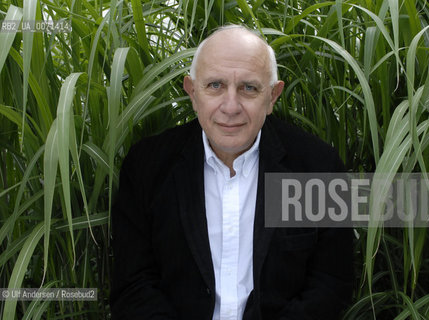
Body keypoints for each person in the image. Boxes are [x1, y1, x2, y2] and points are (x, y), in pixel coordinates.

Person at [110, 25, 353, 320]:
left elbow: (330, 285)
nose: (230, 106)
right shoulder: (148, 166)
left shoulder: (316, 166)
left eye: (249, 88)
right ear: (192, 92)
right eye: (215, 85)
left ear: (273, 96)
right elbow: (133, 285)